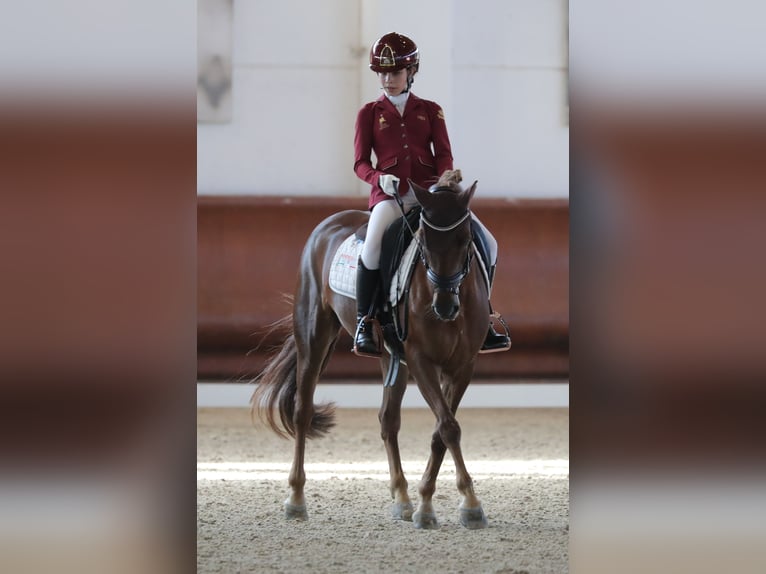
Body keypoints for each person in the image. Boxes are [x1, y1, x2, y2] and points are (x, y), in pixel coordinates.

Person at [352, 32, 510, 357]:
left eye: (394, 72)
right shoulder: (368, 113)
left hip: (432, 197)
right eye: (382, 73)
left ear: (411, 72)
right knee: (371, 249)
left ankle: (484, 316)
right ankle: (365, 321)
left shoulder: (431, 110)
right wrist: (379, 179)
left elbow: (445, 156)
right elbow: (359, 163)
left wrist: (443, 185)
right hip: (392, 198)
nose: (387, 79)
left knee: (489, 244)